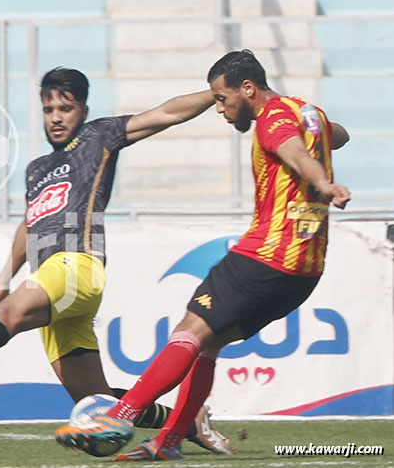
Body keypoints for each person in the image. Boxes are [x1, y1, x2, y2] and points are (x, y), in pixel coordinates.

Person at [0, 67, 234, 454]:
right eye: (48, 108)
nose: (56, 116)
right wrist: (3, 277)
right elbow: (29, 224)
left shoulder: (97, 138)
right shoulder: (36, 170)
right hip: (51, 283)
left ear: (83, 109)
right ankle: (188, 420)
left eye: (65, 107)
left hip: (77, 268)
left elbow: (165, 113)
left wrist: (216, 94)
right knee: (98, 402)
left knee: (8, 315)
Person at [55, 50, 351, 461]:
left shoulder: (273, 119)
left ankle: (120, 415)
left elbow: (295, 155)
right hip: (304, 270)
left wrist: (323, 183)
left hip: (265, 255)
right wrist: (319, 157)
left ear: (248, 89)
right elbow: (338, 136)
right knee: (207, 345)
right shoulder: (307, 113)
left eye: (222, 98)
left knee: (189, 330)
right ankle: (169, 441)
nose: (221, 109)